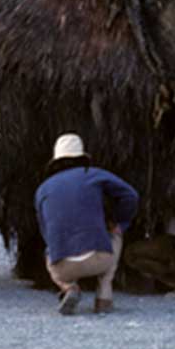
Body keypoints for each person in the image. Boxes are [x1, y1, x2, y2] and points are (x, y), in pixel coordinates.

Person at [33, 133, 140, 316]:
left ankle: (69, 287)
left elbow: (45, 230)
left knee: (49, 251)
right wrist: (121, 223)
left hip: (62, 267)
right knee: (115, 233)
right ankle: (104, 297)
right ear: (82, 157)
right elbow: (131, 195)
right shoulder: (94, 175)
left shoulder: (43, 189)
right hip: (99, 259)